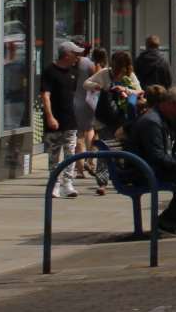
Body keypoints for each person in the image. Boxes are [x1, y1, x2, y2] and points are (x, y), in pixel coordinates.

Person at [124, 85, 176, 235]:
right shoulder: (152, 122)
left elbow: (166, 153)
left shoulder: (162, 118)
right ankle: (166, 222)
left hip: (152, 166)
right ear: (168, 104)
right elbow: (157, 156)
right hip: (142, 170)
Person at [82, 50, 140, 194]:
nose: (117, 70)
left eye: (120, 67)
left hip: (123, 118)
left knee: (122, 149)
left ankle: (121, 178)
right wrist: (97, 86)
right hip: (106, 117)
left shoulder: (130, 76)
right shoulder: (104, 73)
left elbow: (139, 91)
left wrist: (125, 89)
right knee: (104, 149)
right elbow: (86, 83)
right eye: (115, 66)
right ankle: (102, 183)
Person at [41, 41, 83, 198]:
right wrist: (50, 116)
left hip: (70, 119)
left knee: (70, 153)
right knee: (53, 154)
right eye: (75, 54)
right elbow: (45, 95)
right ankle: (54, 184)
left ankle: (68, 184)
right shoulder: (50, 71)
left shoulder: (74, 72)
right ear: (66, 54)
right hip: (54, 121)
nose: (78, 57)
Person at [74, 47, 107, 178]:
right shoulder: (94, 66)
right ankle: (90, 161)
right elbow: (98, 83)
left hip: (77, 102)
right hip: (91, 103)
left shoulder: (78, 64)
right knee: (91, 131)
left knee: (80, 134)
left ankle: (80, 168)